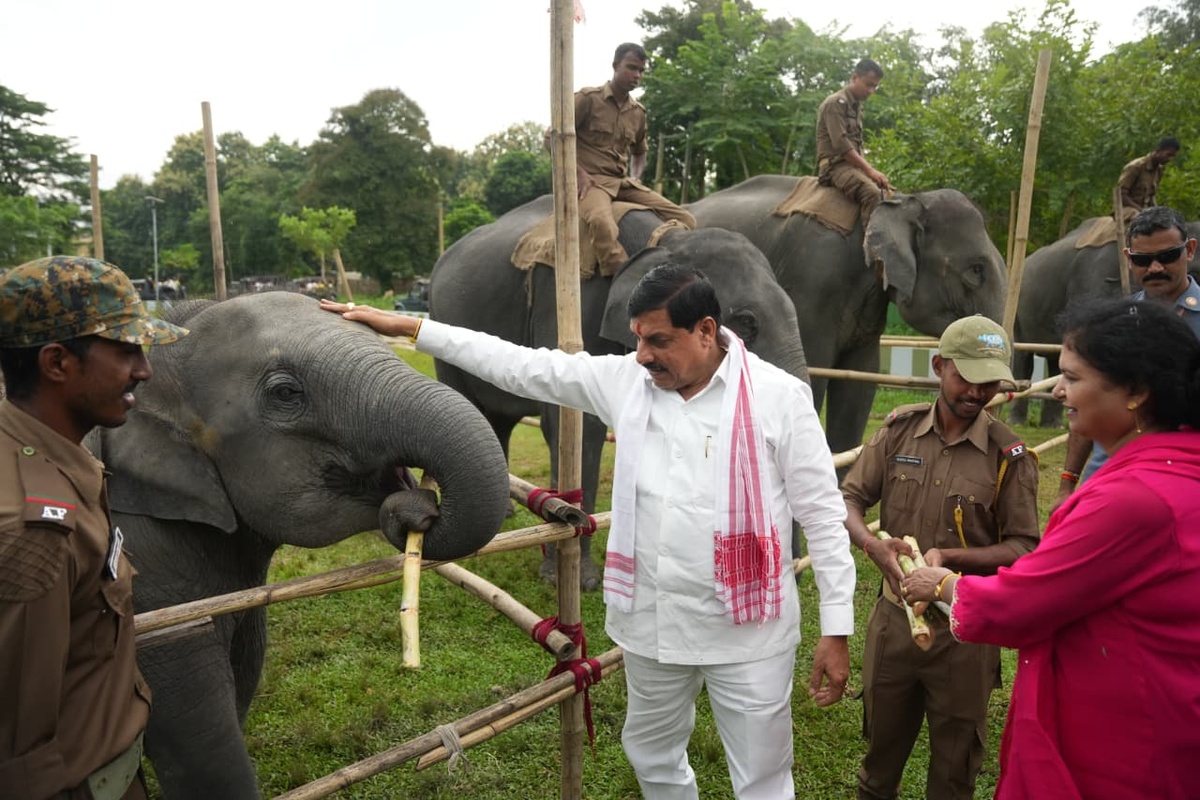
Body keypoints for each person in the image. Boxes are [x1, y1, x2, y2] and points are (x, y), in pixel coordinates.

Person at [320, 263, 855, 799]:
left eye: (659, 341)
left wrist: (836, 629)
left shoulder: (778, 398)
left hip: (747, 632)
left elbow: (824, 518)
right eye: (639, 339)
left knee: (763, 775)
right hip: (653, 625)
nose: (644, 355)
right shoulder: (627, 381)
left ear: (707, 331)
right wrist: (413, 329)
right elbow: (521, 366)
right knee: (652, 752)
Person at [903, 297, 1200, 800]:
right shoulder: (1173, 469)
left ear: (1137, 392)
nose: (1058, 390)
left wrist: (944, 583)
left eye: (1074, 377)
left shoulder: (1132, 499)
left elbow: (1022, 600)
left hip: (1122, 736)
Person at [0, 256, 188, 799]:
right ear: (57, 362)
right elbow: (20, 744)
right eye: (126, 350)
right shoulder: (33, 529)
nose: (144, 370)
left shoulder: (50, 458)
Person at [841, 315, 1041, 800]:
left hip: (965, 631)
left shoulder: (1008, 456)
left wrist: (948, 559)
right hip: (894, 625)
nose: (977, 391)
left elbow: (1024, 547)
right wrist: (871, 544)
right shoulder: (898, 432)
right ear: (938, 366)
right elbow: (847, 500)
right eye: (965, 377)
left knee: (954, 774)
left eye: (989, 381)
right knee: (878, 766)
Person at [1053, 205, 1199, 511]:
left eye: (1168, 256)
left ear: (1190, 251)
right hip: (1107, 476)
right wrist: (1067, 483)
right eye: (1142, 260)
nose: (1155, 268)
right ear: (1128, 258)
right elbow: (1084, 402)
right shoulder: (1111, 324)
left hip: (1183, 483)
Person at [568, 42, 696, 277]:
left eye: (641, 70)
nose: (637, 75)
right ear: (616, 65)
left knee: (685, 218)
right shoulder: (587, 99)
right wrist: (577, 173)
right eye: (631, 68)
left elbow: (640, 151)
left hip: (623, 182)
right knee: (601, 223)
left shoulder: (638, 112)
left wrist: (636, 178)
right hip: (592, 182)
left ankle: (676, 272)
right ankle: (622, 277)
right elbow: (552, 138)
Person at [816, 58, 894, 226]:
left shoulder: (856, 106)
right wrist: (870, 171)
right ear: (854, 78)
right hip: (834, 167)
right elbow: (841, 144)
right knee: (872, 193)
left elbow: (858, 145)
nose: (871, 90)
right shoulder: (835, 103)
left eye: (875, 86)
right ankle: (871, 247)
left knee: (891, 193)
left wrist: (870, 171)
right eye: (868, 84)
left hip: (853, 166)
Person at [1118, 136, 1181, 212]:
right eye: (1168, 155)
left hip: (1145, 210)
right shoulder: (1136, 167)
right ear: (1158, 151)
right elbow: (1121, 195)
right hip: (1126, 210)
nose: (1170, 159)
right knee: (1139, 218)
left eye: (1173, 156)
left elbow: (1151, 196)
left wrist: (1157, 211)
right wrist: (1141, 211)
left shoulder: (1159, 170)